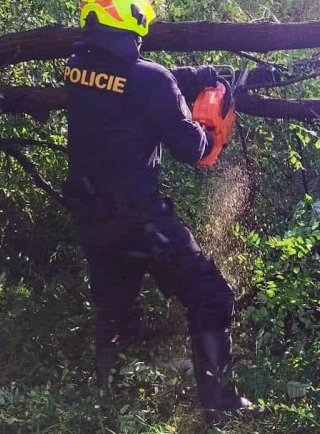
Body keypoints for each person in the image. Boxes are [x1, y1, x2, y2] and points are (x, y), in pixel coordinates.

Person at [63, 0, 257, 424]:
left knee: (114, 311)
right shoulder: (149, 80)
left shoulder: (76, 68)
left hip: (93, 217)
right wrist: (213, 123)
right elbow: (194, 150)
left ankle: (104, 405)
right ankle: (220, 403)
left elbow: (132, 81)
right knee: (211, 296)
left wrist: (196, 77)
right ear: (133, 13)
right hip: (140, 221)